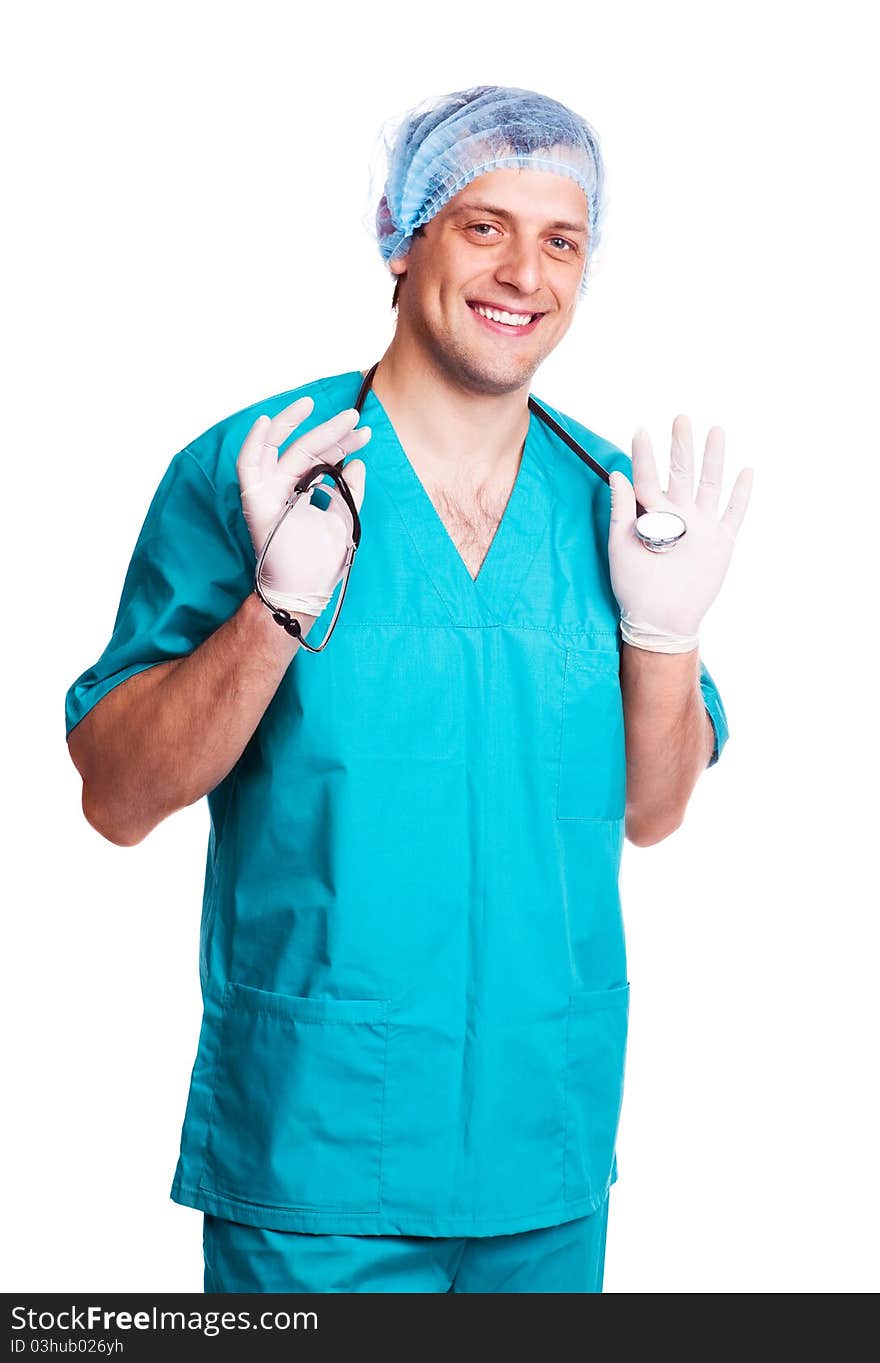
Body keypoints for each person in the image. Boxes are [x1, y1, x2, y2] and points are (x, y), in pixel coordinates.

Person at [64, 85, 752, 1294]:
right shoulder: (266, 471)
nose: (524, 274)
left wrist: (666, 631)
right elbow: (117, 797)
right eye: (483, 225)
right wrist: (273, 615)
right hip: (314, 1161)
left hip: (544, 1149)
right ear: (401, 233)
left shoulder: (611, 505)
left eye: (561, 240)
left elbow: (653, 811)